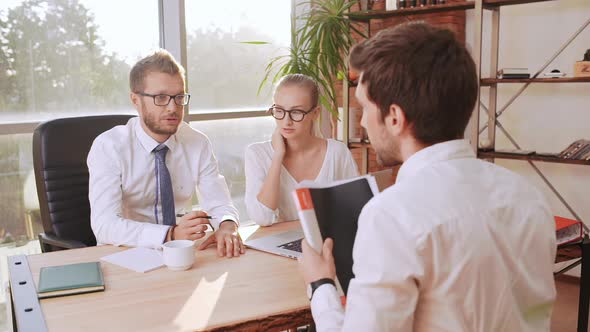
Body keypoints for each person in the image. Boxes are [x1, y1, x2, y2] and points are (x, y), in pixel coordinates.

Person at [299, 22, 556, 331]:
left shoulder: (392, 216)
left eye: (365, 108)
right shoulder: (527, 195)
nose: (364, 122)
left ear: (394, 117)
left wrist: (321, 285)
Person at [88, 49, 244, 258]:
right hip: (126, 254)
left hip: (181, 252)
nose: (173, 108)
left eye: (179, 97)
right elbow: (105, 225)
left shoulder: (197, 142)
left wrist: (227, 225)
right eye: (161, 97)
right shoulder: (109, 147)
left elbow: (219, 202)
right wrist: (170, 234)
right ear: (136, 100)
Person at [244, 74, 359, 226]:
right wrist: (278, 156)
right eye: (279, 110)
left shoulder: (337, 152)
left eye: (296, 112)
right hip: (275, 246)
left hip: (327, 244)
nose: (286, 121)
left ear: (315, 113)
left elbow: (355, 209)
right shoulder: (257, 154)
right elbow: (262, 218)